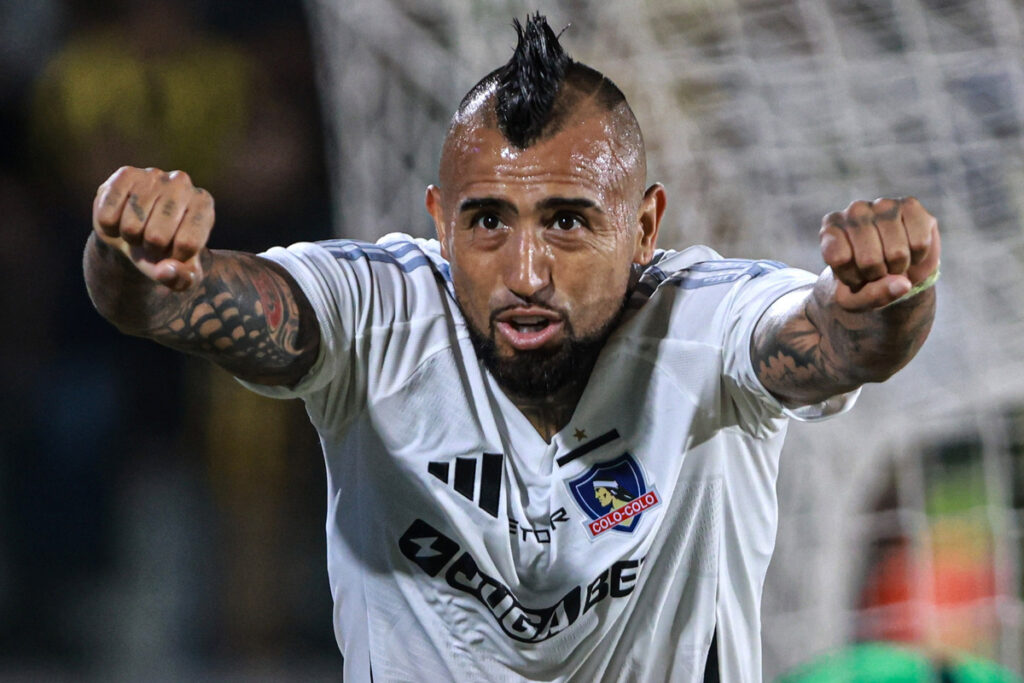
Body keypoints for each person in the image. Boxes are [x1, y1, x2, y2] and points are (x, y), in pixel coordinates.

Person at [83, 14, 940, 683]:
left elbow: (838, 339)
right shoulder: (378, 310)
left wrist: (885, 297)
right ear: (437, 221)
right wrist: (138, 262)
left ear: (644, 227)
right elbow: (181, 303)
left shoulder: (704, 322)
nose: (525, 272)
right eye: (488, 220)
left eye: (568, 221)